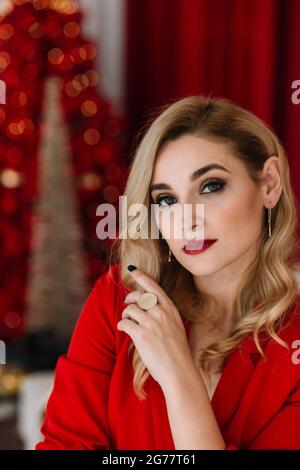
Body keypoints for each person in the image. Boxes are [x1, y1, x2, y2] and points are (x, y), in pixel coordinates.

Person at [36, 95, 300, 450]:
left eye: (210, 186)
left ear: (268, 183)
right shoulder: (118, 300)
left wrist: (179, 376)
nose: (185, 220)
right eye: (166, 200)